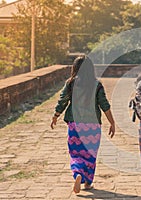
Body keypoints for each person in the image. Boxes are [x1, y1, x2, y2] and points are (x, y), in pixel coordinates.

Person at [50, 55, 115, 194]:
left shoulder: (71, 83)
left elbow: (63, 101)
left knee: (76, 153)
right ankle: (87, 183)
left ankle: (78, 173)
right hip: (93, 127)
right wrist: (112, 122)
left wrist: (56, 116)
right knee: (90, 155)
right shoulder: (97, 85)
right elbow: (105, 105)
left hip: (75, 126)